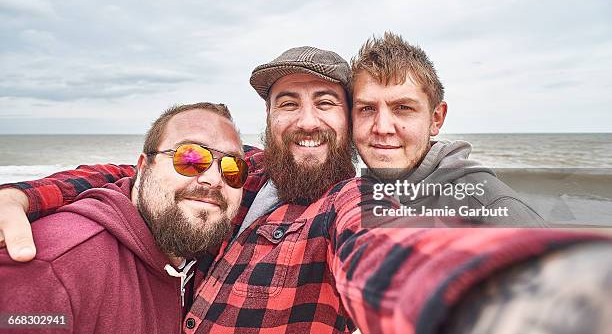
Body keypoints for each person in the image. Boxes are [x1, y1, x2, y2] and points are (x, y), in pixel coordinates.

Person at [0, 41, 610, 334]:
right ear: (269, 120)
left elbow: (400, 249)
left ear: (346, 123)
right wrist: (26, 194)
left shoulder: (355, 201)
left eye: (327, 102)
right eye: (288, 102)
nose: (308, 119)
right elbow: (140, 174)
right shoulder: (246, 174)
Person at [0, 102, 248, 333]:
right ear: (143, 167)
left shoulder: (189, 244)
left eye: (233, 168)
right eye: (190, 159)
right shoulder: (52, 268)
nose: (215, 180)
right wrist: (18, 195)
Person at [350, 32, 546, 226]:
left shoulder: (493, 211)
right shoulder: (353, 201)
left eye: (403, 108)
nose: (382, 128)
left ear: (436, 118)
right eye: (367, 108)